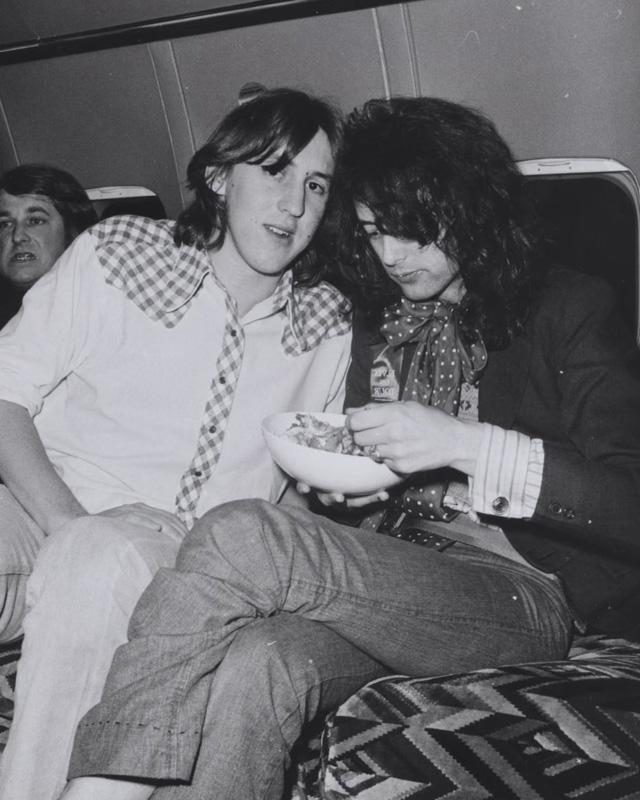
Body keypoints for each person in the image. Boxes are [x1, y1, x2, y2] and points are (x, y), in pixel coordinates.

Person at [62, 96, 640, 800]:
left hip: (521, 590)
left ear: (470, 209)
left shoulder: (569, 306)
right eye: (371, 233)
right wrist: (340, 488)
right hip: (397, 574)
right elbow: (353, 488)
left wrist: (469, 444)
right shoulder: (379, 322)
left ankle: (100, 787)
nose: (390, 257)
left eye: (412, 233)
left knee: (243, 531)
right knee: (257, 660)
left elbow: (627, 501)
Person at [0, 87, 352, 800]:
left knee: (99, 559)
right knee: (87, 548)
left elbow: (306, 479)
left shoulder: (329, 321)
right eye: (277, 171)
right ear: (220, 178)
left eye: (316, 186)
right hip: (45, 506)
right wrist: (67, 522)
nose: (295, 205)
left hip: (182, 550)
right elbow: (5, 391)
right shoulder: (116, 253)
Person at [0, 163, 97, 327]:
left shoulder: (95, 308)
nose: (17, 236)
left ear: (71, 231)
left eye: (36, 221)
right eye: (5, 224)